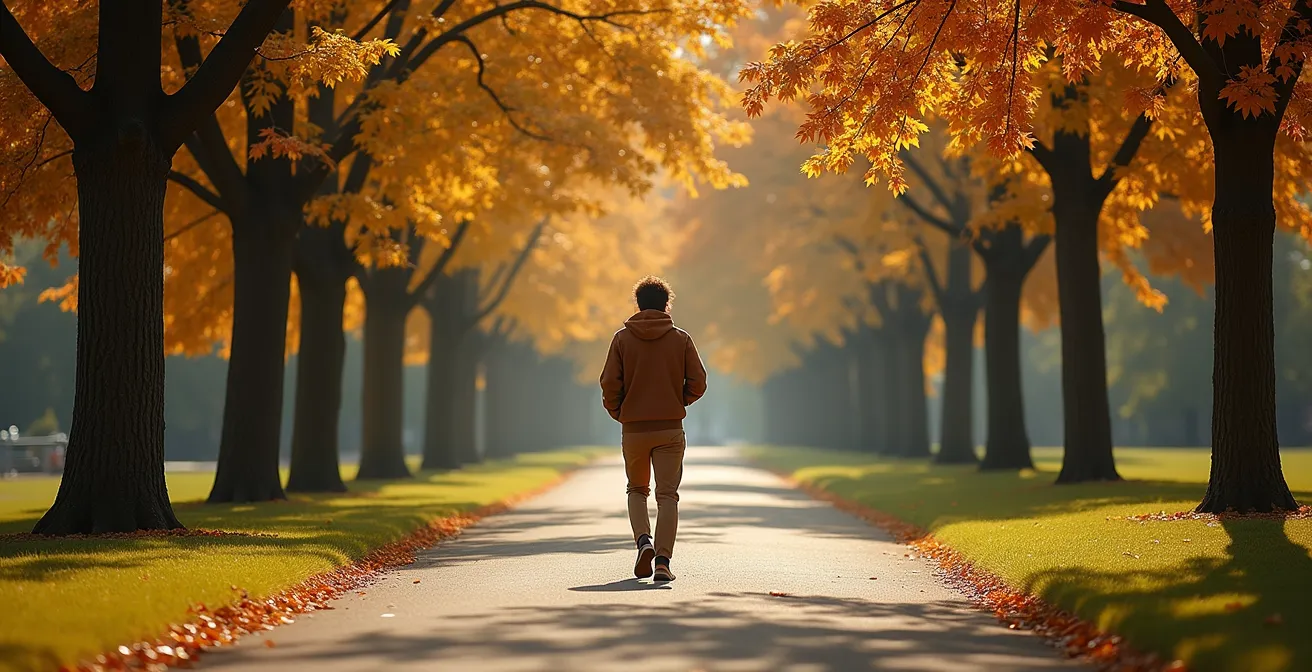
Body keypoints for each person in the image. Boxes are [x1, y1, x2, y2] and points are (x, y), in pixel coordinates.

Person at [600, 276, 707, 582]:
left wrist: (620, 412)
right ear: (666, 304)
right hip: (669, 429)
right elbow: (699, 382)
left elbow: (609, 383)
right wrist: (678, 401)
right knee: (667, 495)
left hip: (634, 430)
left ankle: (642, 541)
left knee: (637, 489)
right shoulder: (681, 339)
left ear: (638, 304)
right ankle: (662, 561)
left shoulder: (622, 339)